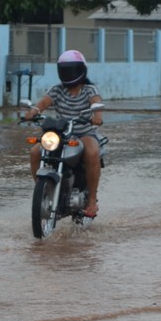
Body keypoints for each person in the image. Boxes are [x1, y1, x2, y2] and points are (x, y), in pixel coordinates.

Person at [23, 49, 104, 219]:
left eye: (72, 69)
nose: (69, 73)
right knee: (35, 152)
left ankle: (91, 200)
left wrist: (97, 116)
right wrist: (34, 111)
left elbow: (96, 102)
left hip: (84, 133)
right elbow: (44, 102)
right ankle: (43, 191)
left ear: (82, 70)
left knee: (92, 152)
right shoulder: (57, 90)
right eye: (66, 69)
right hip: (60, 136)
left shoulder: (89, 89)